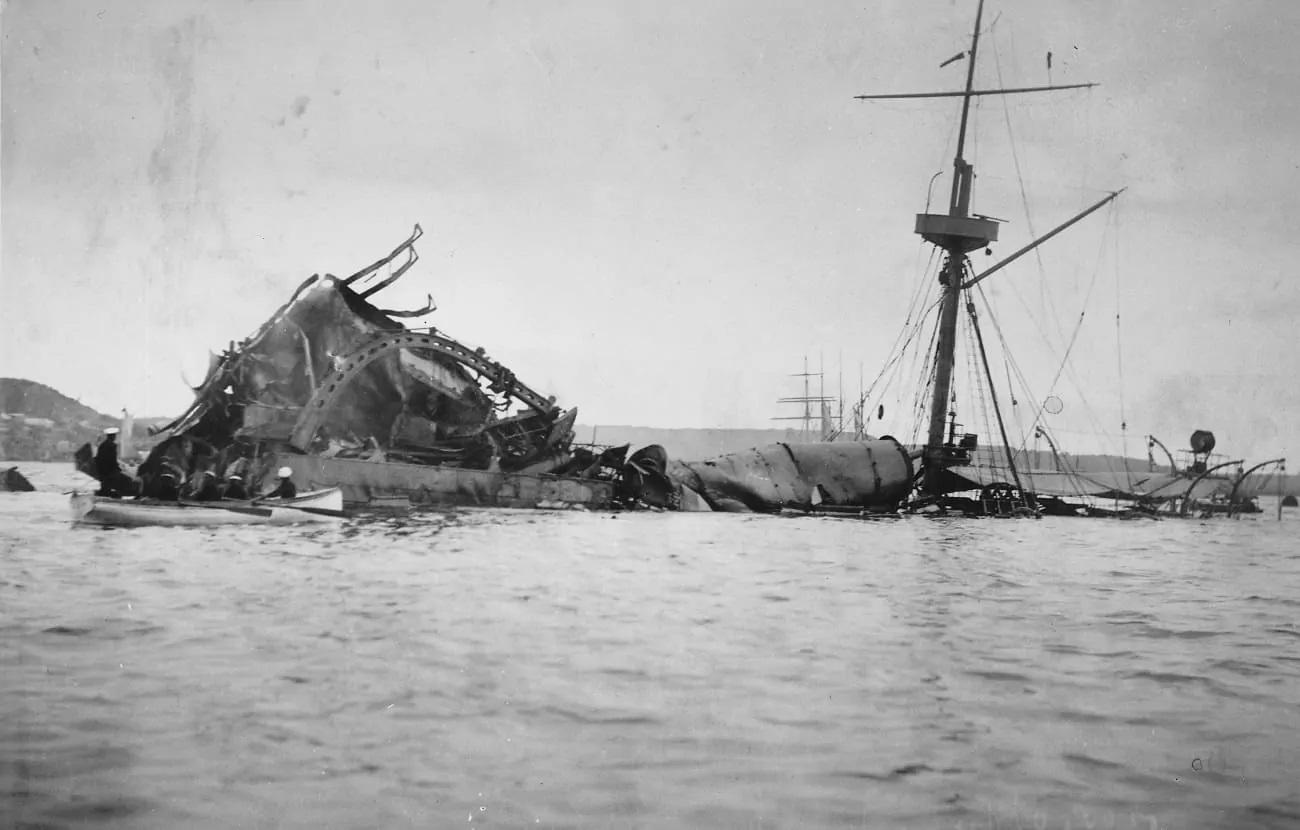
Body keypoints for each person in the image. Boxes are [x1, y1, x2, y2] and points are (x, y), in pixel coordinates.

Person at [95, 428, 122, 497]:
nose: (115, 437)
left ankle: (103, 494)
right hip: (109, 472)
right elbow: (112, 460)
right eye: (114, 436)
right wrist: (118, 468)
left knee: (105, 487)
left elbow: (98, 458)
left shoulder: (102, 445)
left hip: (101, 471)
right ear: (113, 436)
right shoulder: (112, 446)